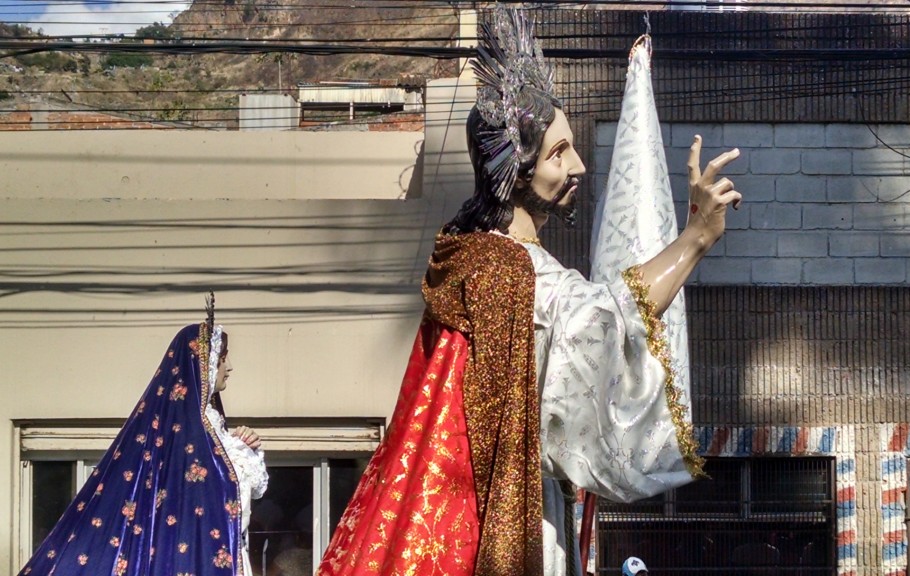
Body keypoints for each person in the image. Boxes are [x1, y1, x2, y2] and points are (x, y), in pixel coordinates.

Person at [316, 8, 741, 576]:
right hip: (502, 515)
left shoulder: (478, 255)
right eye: (558, 153)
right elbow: (606, 319)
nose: (580, 166)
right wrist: (695, 240)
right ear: (515, 170)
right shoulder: (506, 270)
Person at [18, 308, 268, 576]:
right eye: (223, 359)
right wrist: (238, 457)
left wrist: (246, 449)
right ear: (204, 364)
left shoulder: (211, 428)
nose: (228, 368)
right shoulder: (184, 437)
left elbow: (236, 500)